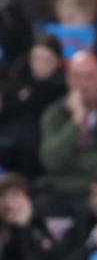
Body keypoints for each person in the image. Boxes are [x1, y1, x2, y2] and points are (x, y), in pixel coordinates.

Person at [38, 50, 97, 199]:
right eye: (76, 77)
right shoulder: (54, 113)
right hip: (60, 190)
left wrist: (71, 164)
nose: (83, 84)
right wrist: (76, 122)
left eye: (89, 76)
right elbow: (50, 160)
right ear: (67, 79)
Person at [0, 34, 67, 180]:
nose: (40, 65)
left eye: (46, 60)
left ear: (57, 61)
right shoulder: (17, 81)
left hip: (43, 146)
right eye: (36, 59)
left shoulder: (63, 88)